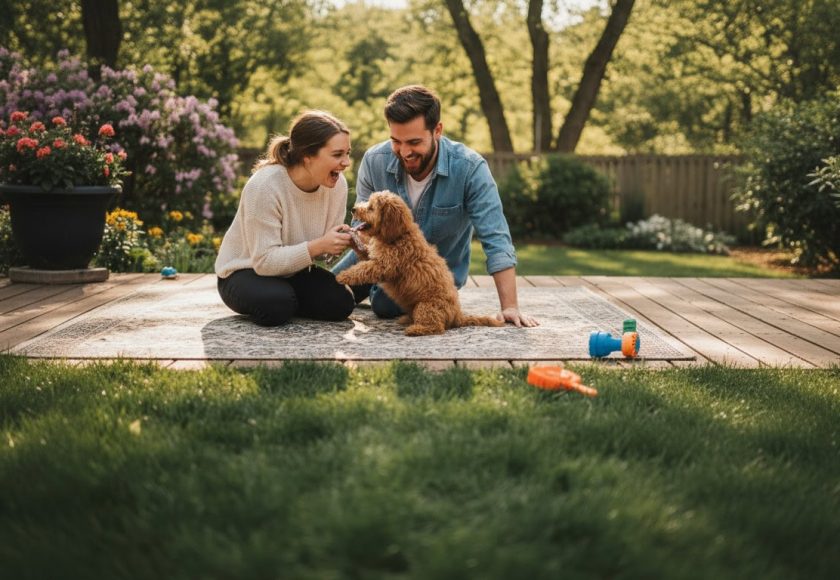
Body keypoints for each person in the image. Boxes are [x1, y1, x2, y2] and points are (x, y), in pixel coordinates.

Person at [333, 85, 538, 328]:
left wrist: (510, 307)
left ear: (437, 130)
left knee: (386, 306)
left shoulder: (470, 168)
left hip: (427, 283)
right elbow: (363, 228)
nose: (405, 152)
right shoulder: (374, 160)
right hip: (377, 258)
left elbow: (496, 238)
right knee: (324, 297)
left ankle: (383, 292)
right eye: (396, 141)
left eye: (414, 142)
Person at [215, 110, 355, 326]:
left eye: (348, 153)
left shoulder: (337, 184)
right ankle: (282, 299)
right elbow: (264, 262)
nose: (346, 162)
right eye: (337, 155)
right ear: (307, 157)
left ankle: (287, 297)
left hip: (293, 272)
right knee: (277, 304)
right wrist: (318, 246)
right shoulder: (265, 186)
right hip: (244, 271)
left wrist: (346, 242)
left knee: (341, 303)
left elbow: (323, 253)